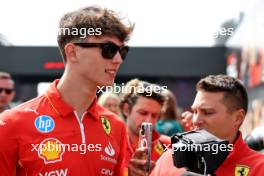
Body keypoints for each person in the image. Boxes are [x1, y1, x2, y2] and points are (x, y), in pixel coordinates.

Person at [0, 6, 133, 176]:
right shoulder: (10, 124)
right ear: (73, 52)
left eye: (123, 51)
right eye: (108, 50)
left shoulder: (116, 126)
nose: (118, 59)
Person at [150, 74, 264, 176]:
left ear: (238, 118)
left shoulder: (259, 167)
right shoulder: (169, 159)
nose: (196, 120)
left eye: (208, 112)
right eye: (195, 111)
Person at [119, 78, 170, 176]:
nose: (148, 121)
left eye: (154, 116)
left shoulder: (168, 146)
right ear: (126, 109)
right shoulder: (111, 143)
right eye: (143, 113)